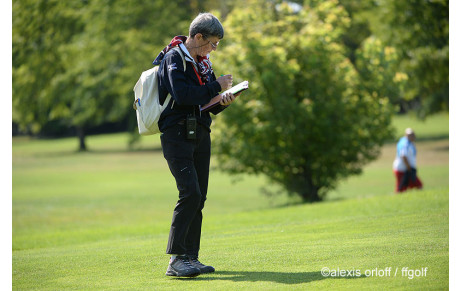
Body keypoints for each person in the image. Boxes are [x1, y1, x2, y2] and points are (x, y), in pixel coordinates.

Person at [154, 13, 238, 277]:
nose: (214, 49)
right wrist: (215, 85)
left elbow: (206, 103)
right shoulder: (174, 58)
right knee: (189, 193)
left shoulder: (202, 62)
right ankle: (176, 260)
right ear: (198, 36)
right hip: (177, 133)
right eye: (212, 43)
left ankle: (191, 257)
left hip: (200, 132)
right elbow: (182, 95)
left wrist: (222, 100)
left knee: (198, 196)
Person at [392, 128, 423, 193]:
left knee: (416, 185)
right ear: (406, 135)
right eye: (410, 135)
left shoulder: (410, 143)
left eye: (412, 135)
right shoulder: (405, 144)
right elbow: (403, 156)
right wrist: (409, 168)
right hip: (403, 169)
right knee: (401, 188)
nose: (412, 136)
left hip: (407, 169)